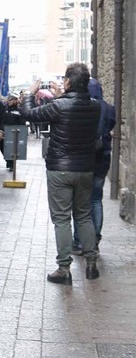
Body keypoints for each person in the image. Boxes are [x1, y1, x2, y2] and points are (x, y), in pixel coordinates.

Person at [21, 63, 100, 284]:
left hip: (60, 170)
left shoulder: (59, 106)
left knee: (62, 219)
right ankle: (91, 262)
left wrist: (30, 93)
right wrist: (59, 97)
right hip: (85, 168)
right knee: (84, 215)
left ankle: (64, 269)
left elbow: (28, 113)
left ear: (67, 82)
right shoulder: (95, 106)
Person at [72, 77, 116, 252]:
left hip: (85, 160)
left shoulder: (85, 107)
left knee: (80, 202)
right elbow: (110, 126)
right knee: (96, 200)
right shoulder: (110, 109)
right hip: (102, 160)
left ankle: (79, 241)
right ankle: (96, 238)